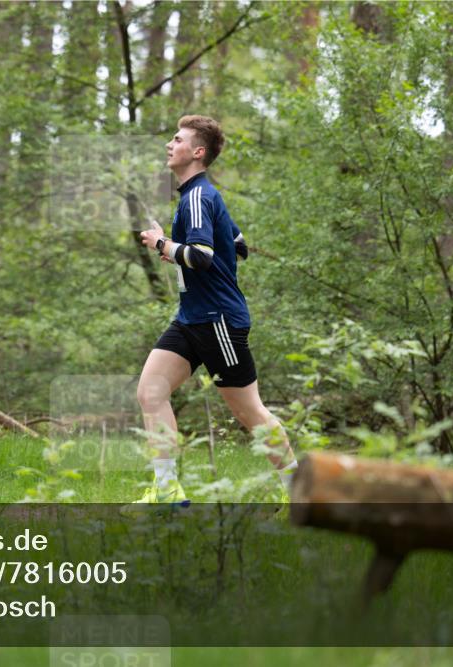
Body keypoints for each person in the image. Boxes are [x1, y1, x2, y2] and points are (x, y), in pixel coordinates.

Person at [132, 114, 297, 506]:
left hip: (219, 321)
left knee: (250, 414)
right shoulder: (199, 197)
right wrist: (177, 250)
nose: (169, 144)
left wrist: (162, 245)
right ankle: (168, 491)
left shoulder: (197, 197)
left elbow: (204, 257)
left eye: (177, 139)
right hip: (192, 319)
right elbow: (235, 243)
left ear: (198, 151)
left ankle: (301, 494)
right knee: (150, 392)